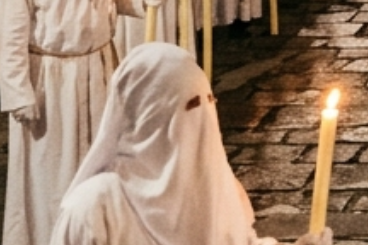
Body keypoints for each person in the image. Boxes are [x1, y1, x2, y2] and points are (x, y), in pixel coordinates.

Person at [0, 0, 155, 245]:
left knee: (97, 163)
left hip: (98, 68)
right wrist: (17, 90)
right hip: (49, 78)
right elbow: (13, 25)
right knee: (51, 169)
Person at [46, 43, 330, 245]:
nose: (202, 120)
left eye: (209, 103)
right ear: (150, 119)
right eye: (192, 106)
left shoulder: (219, 186)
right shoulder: (95, 207)